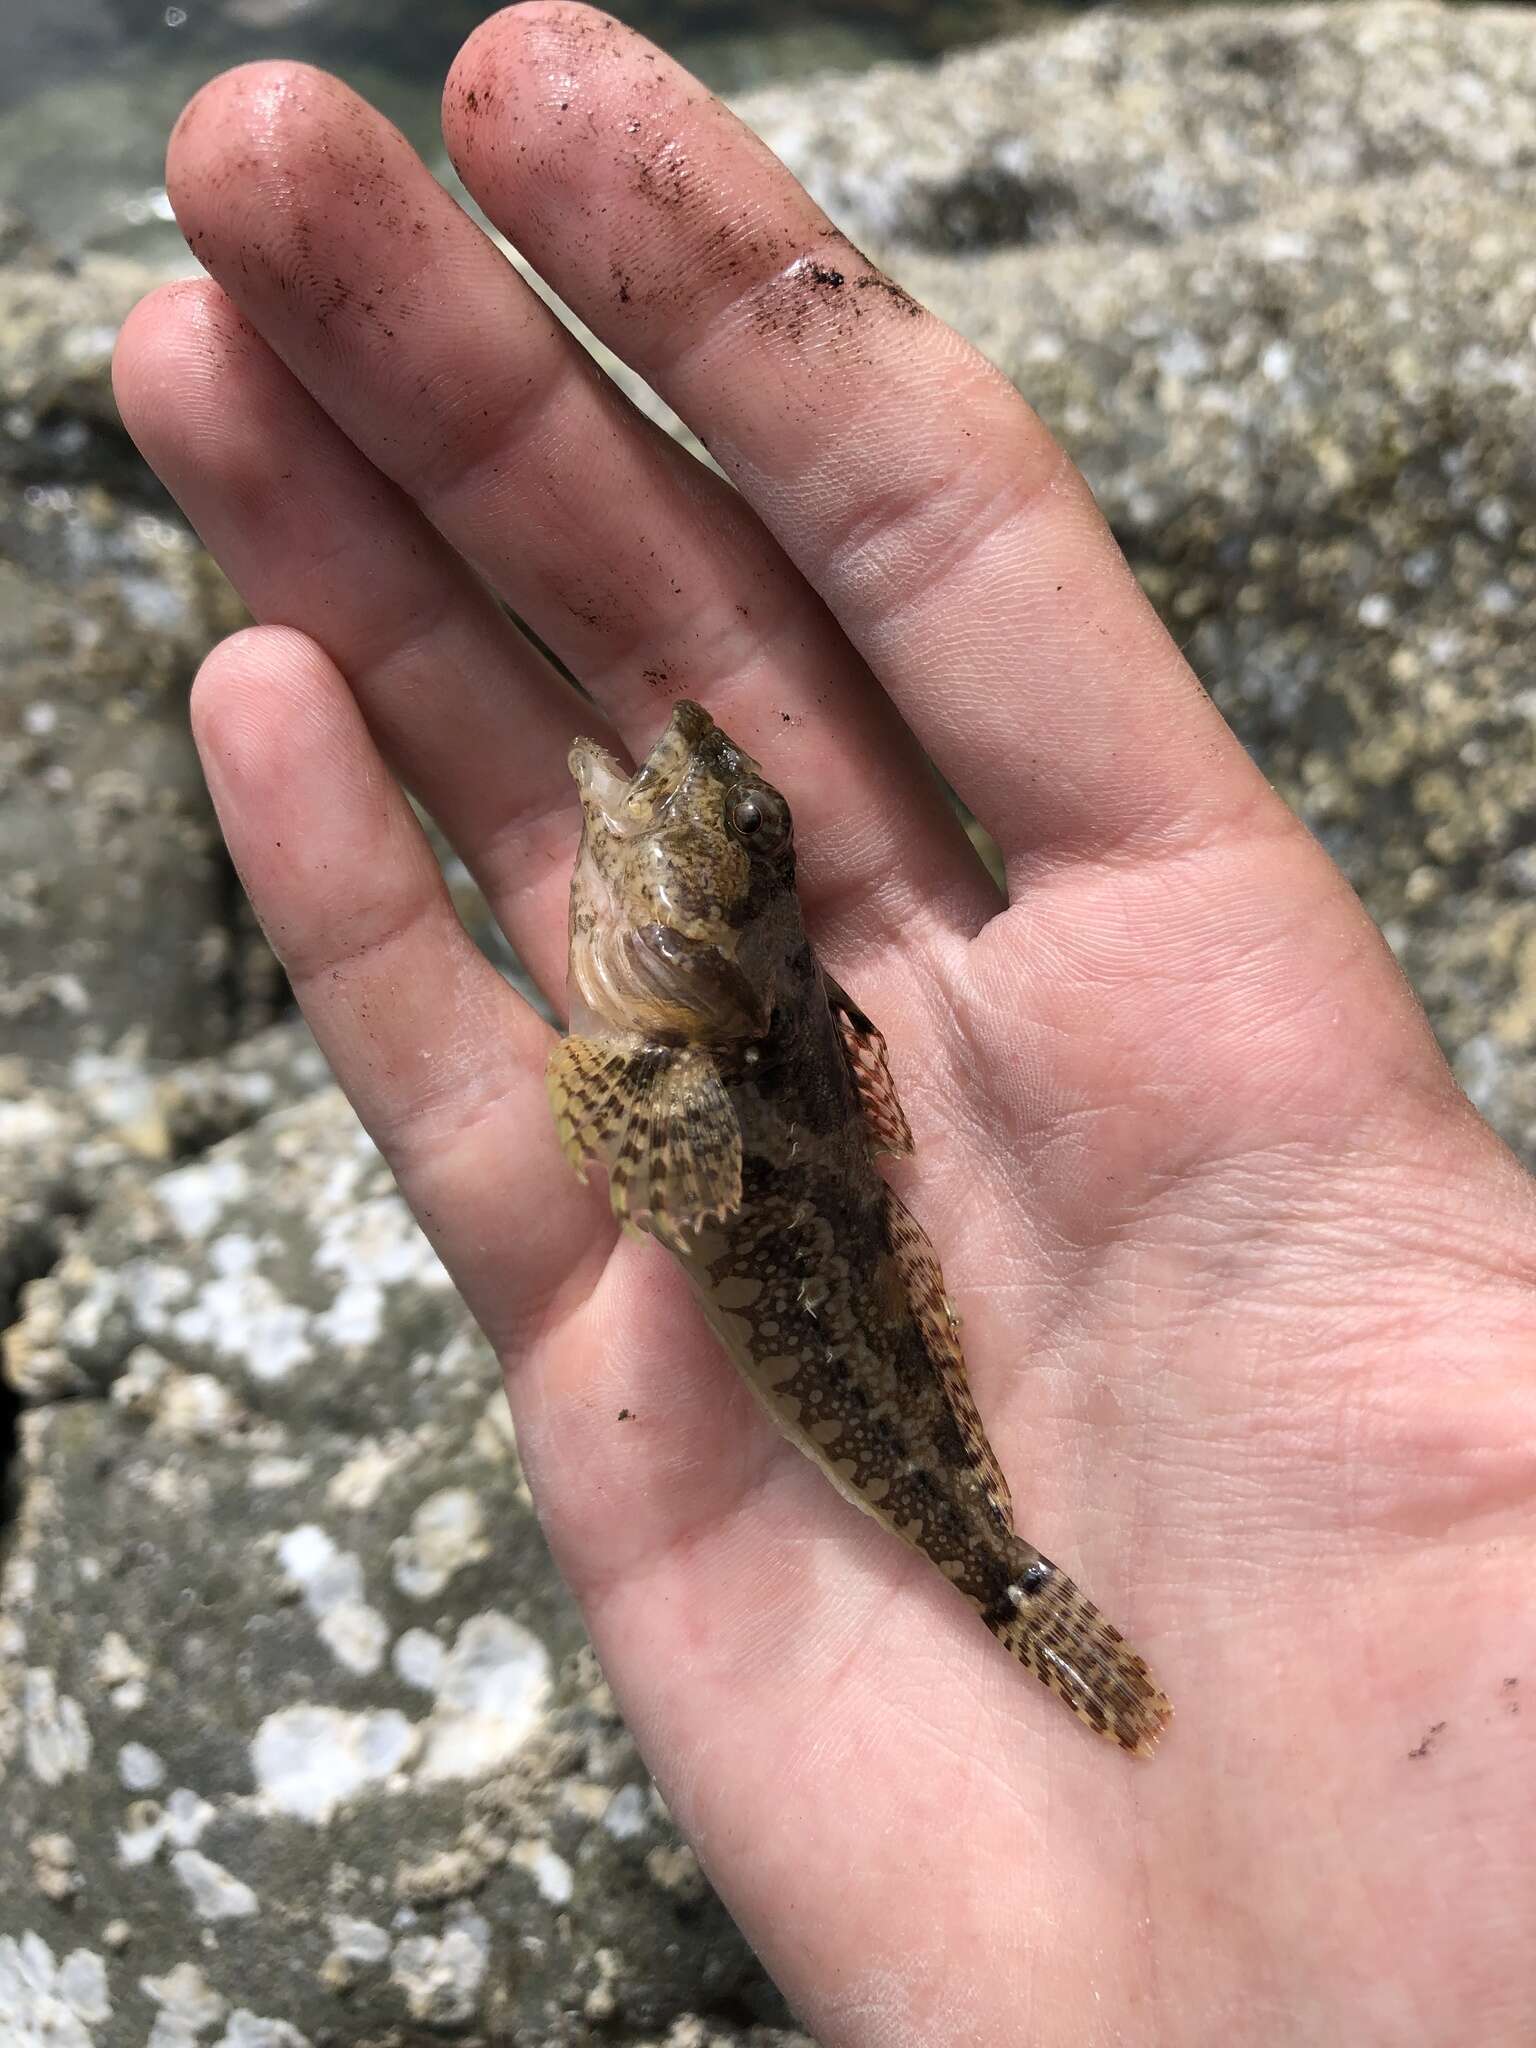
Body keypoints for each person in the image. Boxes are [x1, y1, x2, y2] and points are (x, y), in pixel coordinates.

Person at [112, 6, 1536, 2040]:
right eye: (706, 818)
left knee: (919, 1453)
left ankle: (1006, 1578)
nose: (668, 800)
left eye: (718, 830)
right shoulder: (694, 1032)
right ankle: (1009, 1578)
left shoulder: (664, 1052)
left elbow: (668, 1126)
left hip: (892, 1415)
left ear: (723, 931)